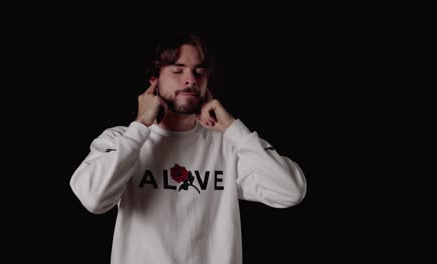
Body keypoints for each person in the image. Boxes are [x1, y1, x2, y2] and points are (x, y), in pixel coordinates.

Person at [70, 32, 307, 264]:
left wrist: (234, 129)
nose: (190, 79)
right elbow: (94, 199)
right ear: (154, 79)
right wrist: (140, 126)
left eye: (199, 72)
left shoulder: (228, 145)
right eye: (177, 70)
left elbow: (290, 191)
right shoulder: (121, 140)